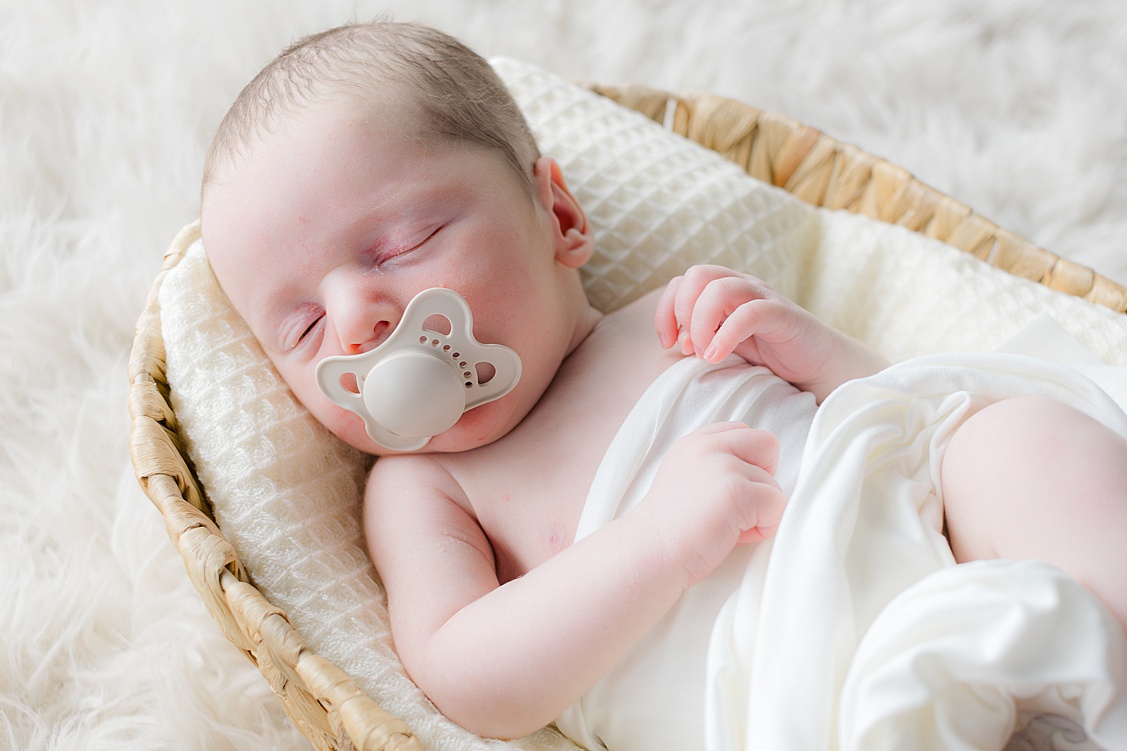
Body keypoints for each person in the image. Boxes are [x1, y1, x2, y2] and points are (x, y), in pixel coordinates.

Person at [199, 20, 1127, 747]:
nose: (357, 317)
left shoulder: (674, 317)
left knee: (1019, 439)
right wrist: (654, 544)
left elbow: (906, 424)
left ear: (556, 214)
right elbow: (468, 677)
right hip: (788, 692)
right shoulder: (426, 486)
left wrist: (825, 358)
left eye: (400, 246)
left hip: (937, 543)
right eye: (305, 326)